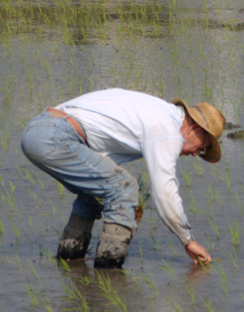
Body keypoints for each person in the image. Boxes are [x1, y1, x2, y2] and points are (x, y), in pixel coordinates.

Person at [20, 89, 225, 269]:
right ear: (194, 128)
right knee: (124, 188)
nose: (197, 154)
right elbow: (164, 192)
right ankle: (109, 276)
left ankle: (70, 261)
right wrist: (187, 240)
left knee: (95, 194)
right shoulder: (167, 129)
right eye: (204, 146)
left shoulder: (157, 111)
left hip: (40, 128)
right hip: (55, 135)